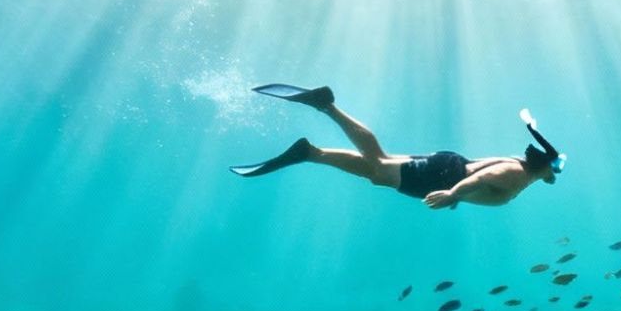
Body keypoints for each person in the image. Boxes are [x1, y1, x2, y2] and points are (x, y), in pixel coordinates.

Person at [229, 85, 562, 209]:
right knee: (378, 164)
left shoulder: (522, 168)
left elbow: (482, 176)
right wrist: (454, 194)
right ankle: (326, 105)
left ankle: (310, 153)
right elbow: (478, 180)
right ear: (543, 165)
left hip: (445, 168)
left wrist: (459, 193)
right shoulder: (517, 174)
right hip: (442, 177)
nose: (555, 175)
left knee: (378, 171)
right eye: (555, 169)